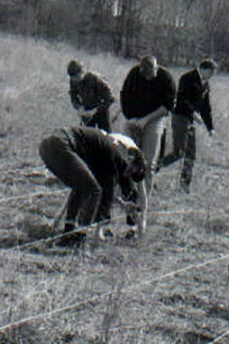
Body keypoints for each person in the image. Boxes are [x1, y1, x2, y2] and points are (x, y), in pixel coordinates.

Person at [38, 126, 146, 247]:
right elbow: (106, 195)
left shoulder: (106, 151)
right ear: (130, 160)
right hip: (61, 144)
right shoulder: (113, 156)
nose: (127, 174)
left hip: (47, 145)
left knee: (81, 186)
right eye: (130, 171)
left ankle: (69, 231)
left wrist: (123, 204)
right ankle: (79, 237)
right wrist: (99, 227)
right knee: (93, 190)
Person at [119, 55, 176, 228]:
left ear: (156, 68)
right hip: (134, 119)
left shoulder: (166, 78)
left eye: (152, 74)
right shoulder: (134, 74)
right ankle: (128, 202)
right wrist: (132, 119)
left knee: (148, 165)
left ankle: (142, 211)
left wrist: (146, 120)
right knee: (124, 161)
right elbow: (124, 96)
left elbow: (168, 107)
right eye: (146, 75)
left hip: (154, 119)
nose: (149, 77)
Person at [160, 59, 217, 191]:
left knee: (191, 154)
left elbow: (206, 108)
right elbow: (181, 98)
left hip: (190, 121)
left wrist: (210, 128)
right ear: (204, 69)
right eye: (211, 72)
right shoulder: (187, 78)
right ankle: (153, 168)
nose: (211, 76)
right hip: (180, 118)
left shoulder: (206, 85)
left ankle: (184, 186)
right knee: (178, 152)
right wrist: (192, 113)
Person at [67, 60, 115, 132]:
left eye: (77, 76)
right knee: (86, 136)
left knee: (106, 137)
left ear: (82, 72)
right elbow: (73, 95)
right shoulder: (73, 80)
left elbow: (111, 98)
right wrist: (79, 107)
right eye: (73, 78)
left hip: (101, 112)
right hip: (86, 112)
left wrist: (96, 110)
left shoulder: (96, 79)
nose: (75, 80)